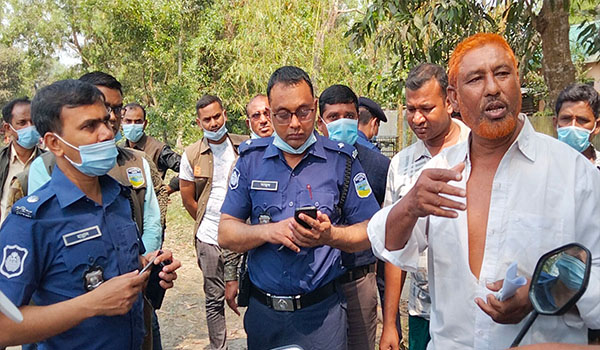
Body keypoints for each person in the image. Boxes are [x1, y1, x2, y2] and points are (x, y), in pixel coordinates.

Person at [368, 33, 600, 348]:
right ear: (453, 98)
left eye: (502, 73)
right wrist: (409, 206)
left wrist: (540, 294)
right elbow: (391, 246)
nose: (492, 88)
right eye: (476, 79)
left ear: (517, 79)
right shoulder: (439, 172)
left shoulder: (575, 175)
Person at [0, 79, 180, 349]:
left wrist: (147, 267)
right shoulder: (32, 221)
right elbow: (4, 327)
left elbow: (117, 271)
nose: (107, 133)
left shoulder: (118, 198)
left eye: (106, 121)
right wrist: (91, 305)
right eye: (89, 126)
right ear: (54, 143)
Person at [218, 66, 379, 350]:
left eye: (303, 112)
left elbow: (371, 231)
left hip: (322, 317)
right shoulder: (250, 161)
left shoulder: (341, 160)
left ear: (315, 108)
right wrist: (269, 231)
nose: (294, 123)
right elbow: (226, 232)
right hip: (265, 315)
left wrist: (330, 236)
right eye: (283, 114)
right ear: (269, 112)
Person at [379, 63, 470, 350]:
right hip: (422, 311)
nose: (417, 118)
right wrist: (390, 322)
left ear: (450, 102)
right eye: (410, 109)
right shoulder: (401, 165)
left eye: (426, 109)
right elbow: (394, 247)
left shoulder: (478, 151)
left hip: (472, 311)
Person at [315, 84, 390, 350]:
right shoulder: (308, 162)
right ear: (320, 122)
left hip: (359, 278)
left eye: (348, 115)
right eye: (333, 117)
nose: (341, 123)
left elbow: (384, 231)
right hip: (320, 283)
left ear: (358, 118)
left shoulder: (378, 165)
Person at [179, 94, 247, 350]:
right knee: (213, 298)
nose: (214, 123)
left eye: (217, 116)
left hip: (241, 235)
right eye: (207, 119)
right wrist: (213, 226)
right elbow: (188, 199)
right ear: (199, 123)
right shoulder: (191, 154)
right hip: (208, 237)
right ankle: (219, 346)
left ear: (225, 114)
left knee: (249, 290)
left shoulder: (244, 147)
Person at [0, 98, 44, 224]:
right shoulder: (2, 160)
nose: (30, 127)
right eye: (22, 123)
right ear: (8, 128)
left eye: (33, 121)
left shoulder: (49, 164)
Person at [122, 102, 181, 179]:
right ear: (121, 122)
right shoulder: (120, 149)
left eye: (138, 121)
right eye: (128, 121)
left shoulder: (158, 149)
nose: (133, 125)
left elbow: (187, 167)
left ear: (145, 124)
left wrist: (172, 186)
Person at [553, 83, 600, 167]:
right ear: (555, 123)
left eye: (582, 120)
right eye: (566, 119)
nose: (573, 126)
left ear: (597, 126)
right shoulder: (542, 165)